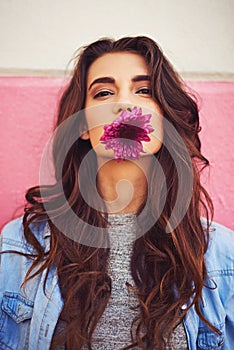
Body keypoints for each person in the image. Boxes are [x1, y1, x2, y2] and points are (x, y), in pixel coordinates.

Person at [0, 35, 233, 350]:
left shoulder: (221, 255)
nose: (125, 103)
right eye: (104, 92)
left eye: (144, 91)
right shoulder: (18, 248)